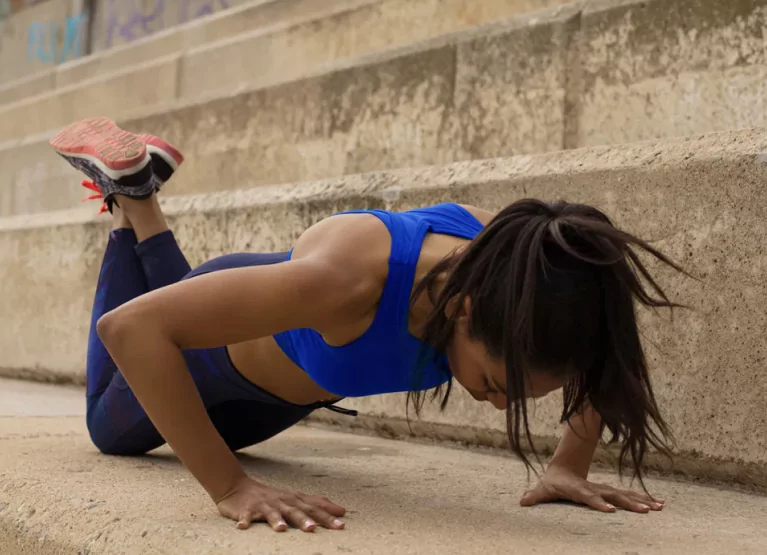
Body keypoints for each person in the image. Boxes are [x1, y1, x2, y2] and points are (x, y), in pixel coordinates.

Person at [51, 117, 680, 533]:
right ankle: (129, 202)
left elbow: (601, 342)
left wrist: (568, 465)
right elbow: (130, 331)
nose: (497, 406)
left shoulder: (523, 264)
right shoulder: (348, 281)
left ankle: (139, 195)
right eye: (492, 383)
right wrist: (231, 487)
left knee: (189, 343)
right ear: (463, 309)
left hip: (277, 387)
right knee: (111, 430)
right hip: (217, 362)